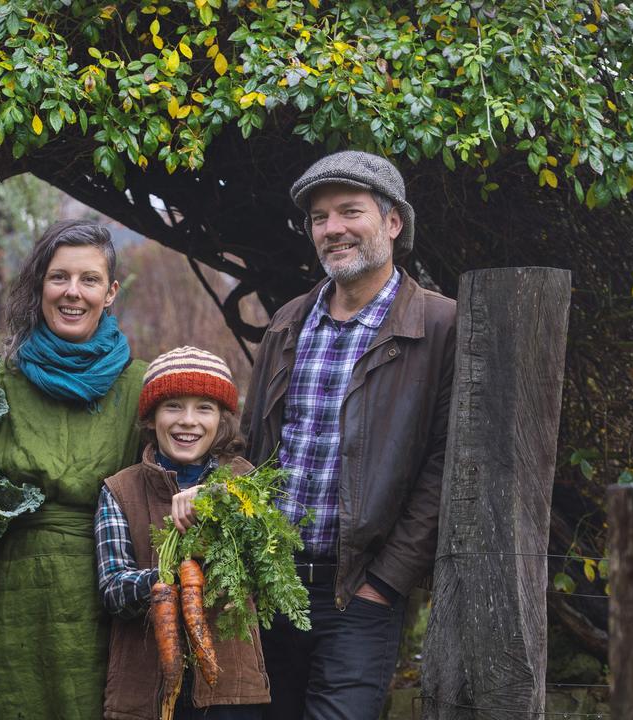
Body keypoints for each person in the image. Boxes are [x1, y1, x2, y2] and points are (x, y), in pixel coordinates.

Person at [240, 151, 457, 720]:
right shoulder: (289, 321)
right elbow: (252, 450)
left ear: (392, 222)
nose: (332, 229)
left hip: (359, 591)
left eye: (349, 211)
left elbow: (445, 466)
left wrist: (385, 584)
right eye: (319, 218)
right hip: (271, 586)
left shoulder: (439, 327)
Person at [0, 220, 148, 720]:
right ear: (40, 285)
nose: (72, 293)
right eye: (58, 277)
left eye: (89, 280)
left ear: (110, 293)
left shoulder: (142, 387)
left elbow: (176, 479)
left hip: (100, 609)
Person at [95, 346, 270, 720]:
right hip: (142, 692)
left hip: (231, 693)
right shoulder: (119, 490)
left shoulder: (246, 483)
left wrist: (217, 505)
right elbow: (113, 589)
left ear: (221, 421)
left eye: (204, 408)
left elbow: (264, 570)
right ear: (151, 417)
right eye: (173, 406)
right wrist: (171, 579)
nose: (188, 420)